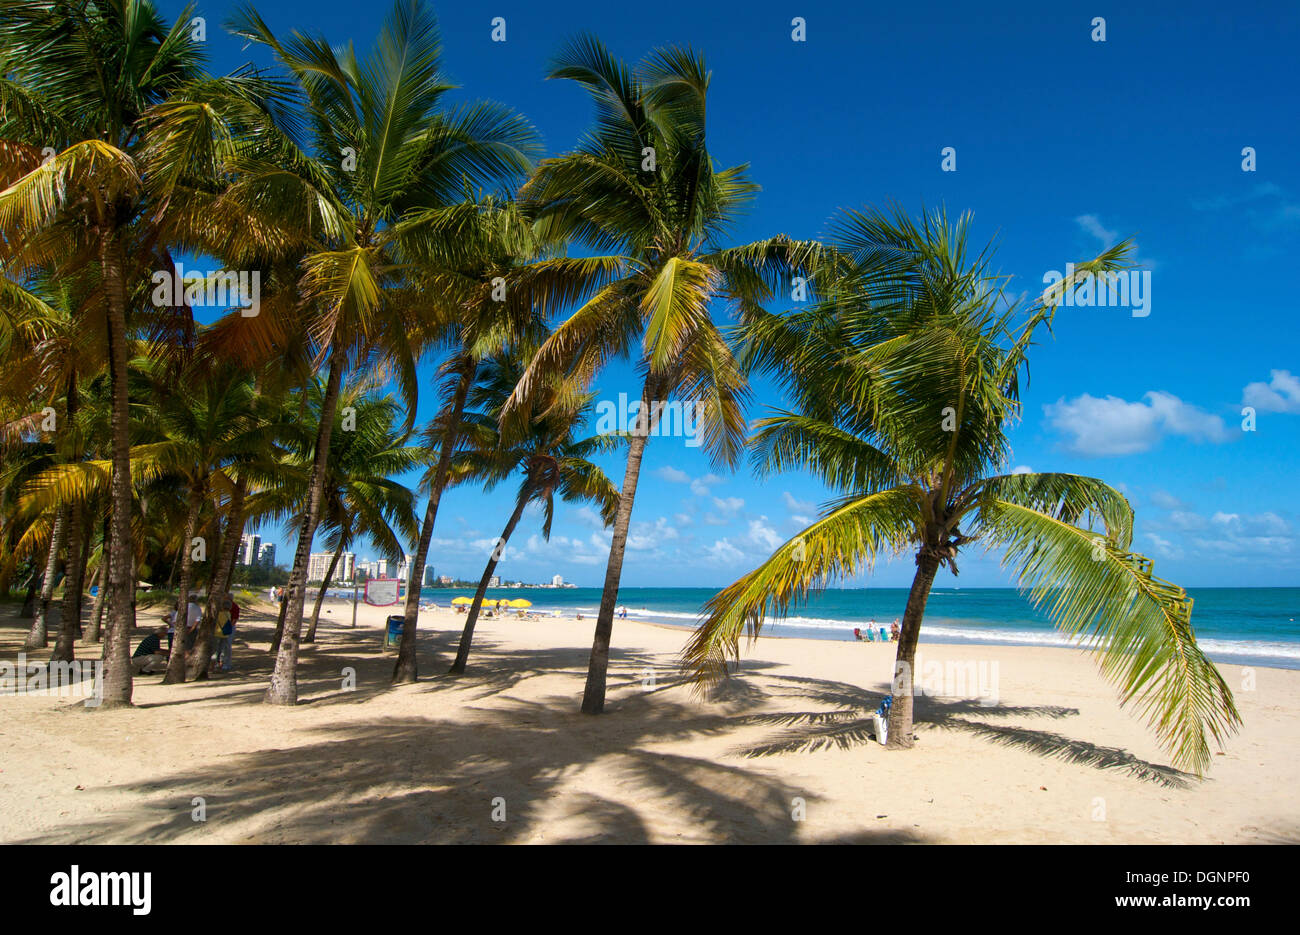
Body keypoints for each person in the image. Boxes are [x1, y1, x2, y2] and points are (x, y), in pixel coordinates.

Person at [213, 597, 235, 672]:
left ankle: (214, 664)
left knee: (216, 649)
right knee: (222, 650)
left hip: (217, 633)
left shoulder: (218, 614)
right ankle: (221, 665)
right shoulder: (228, 614)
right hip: (225, 633)